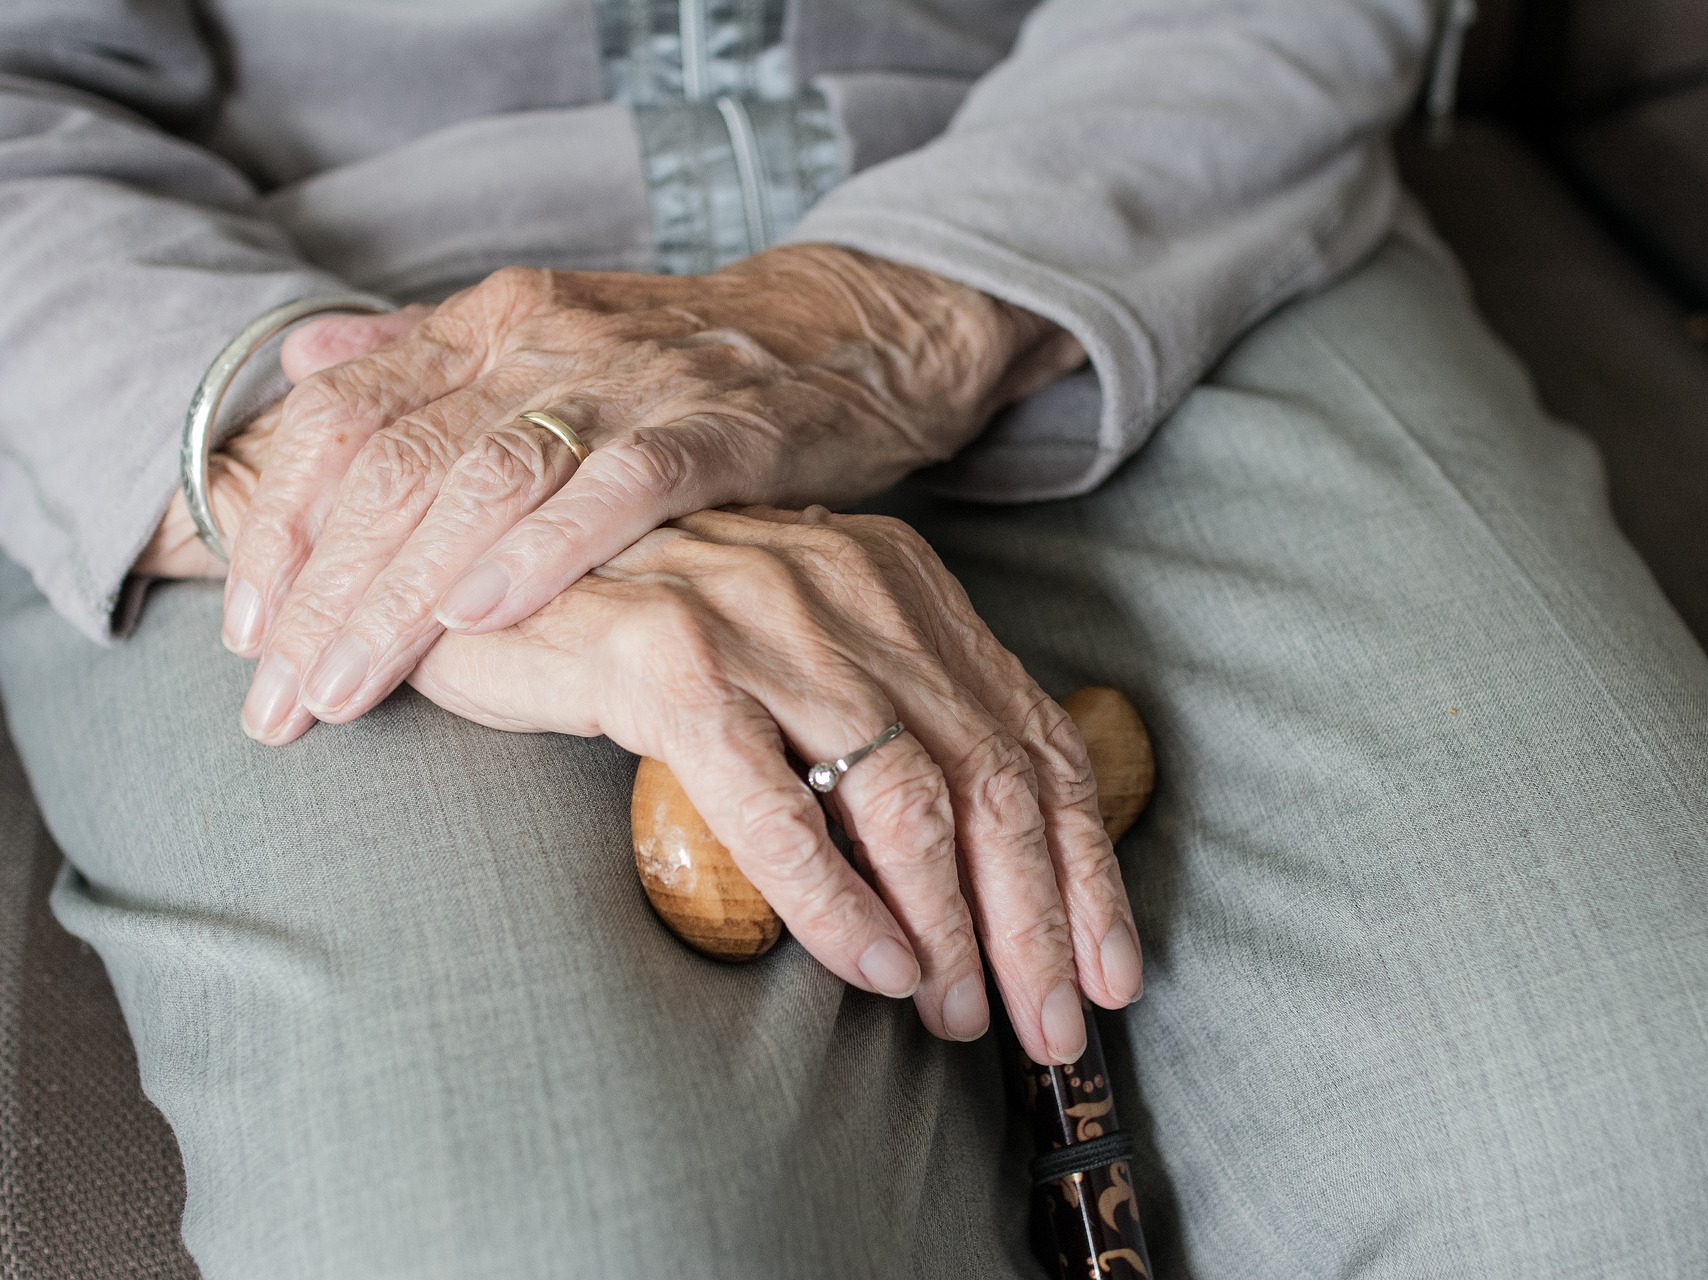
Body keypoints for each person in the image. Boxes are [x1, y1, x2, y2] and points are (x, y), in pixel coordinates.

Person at [1, 1, 1704, 1275]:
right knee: (544, 1238)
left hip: (1143, 200)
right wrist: (382, 484)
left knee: (1637, 1130)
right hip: (283, 316)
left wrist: (879, 314)